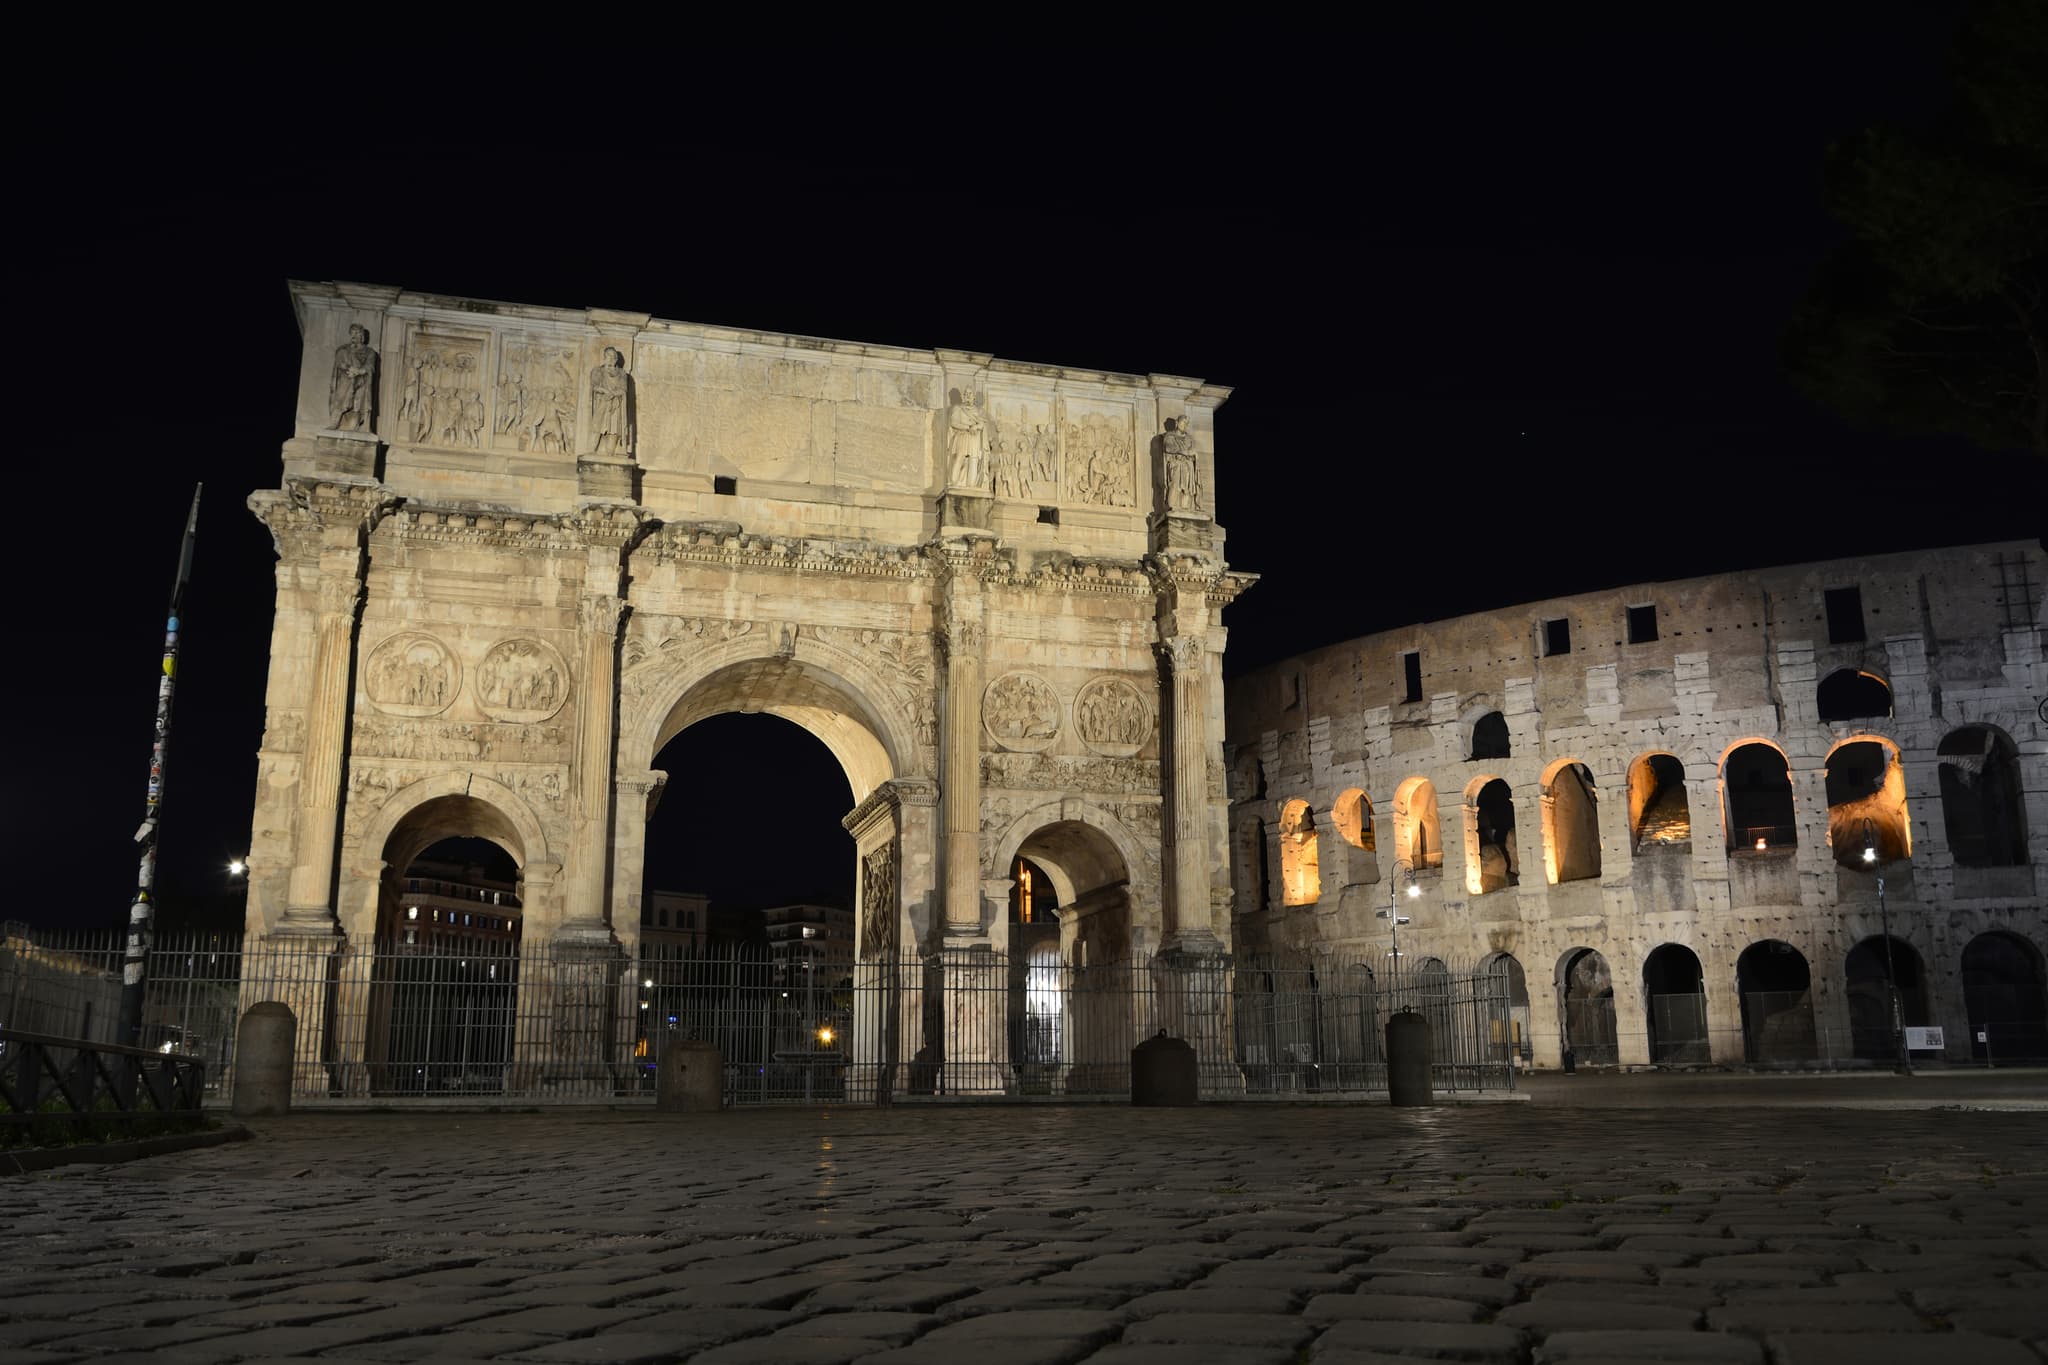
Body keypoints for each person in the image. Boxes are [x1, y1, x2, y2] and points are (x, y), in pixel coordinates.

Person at [328, 324, 377, 432]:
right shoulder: (343, 350)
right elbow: (339, 363)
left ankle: (357, 423)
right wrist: (349, 369)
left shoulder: (369, 352)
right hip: (346, 378)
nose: (354, 336)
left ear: (362, 336)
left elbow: (370, 367)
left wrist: (359, 371)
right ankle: (335, 421)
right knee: (340, 398)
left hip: (361, 381)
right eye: (352, 333)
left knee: (357, 404)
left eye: (357, 333)